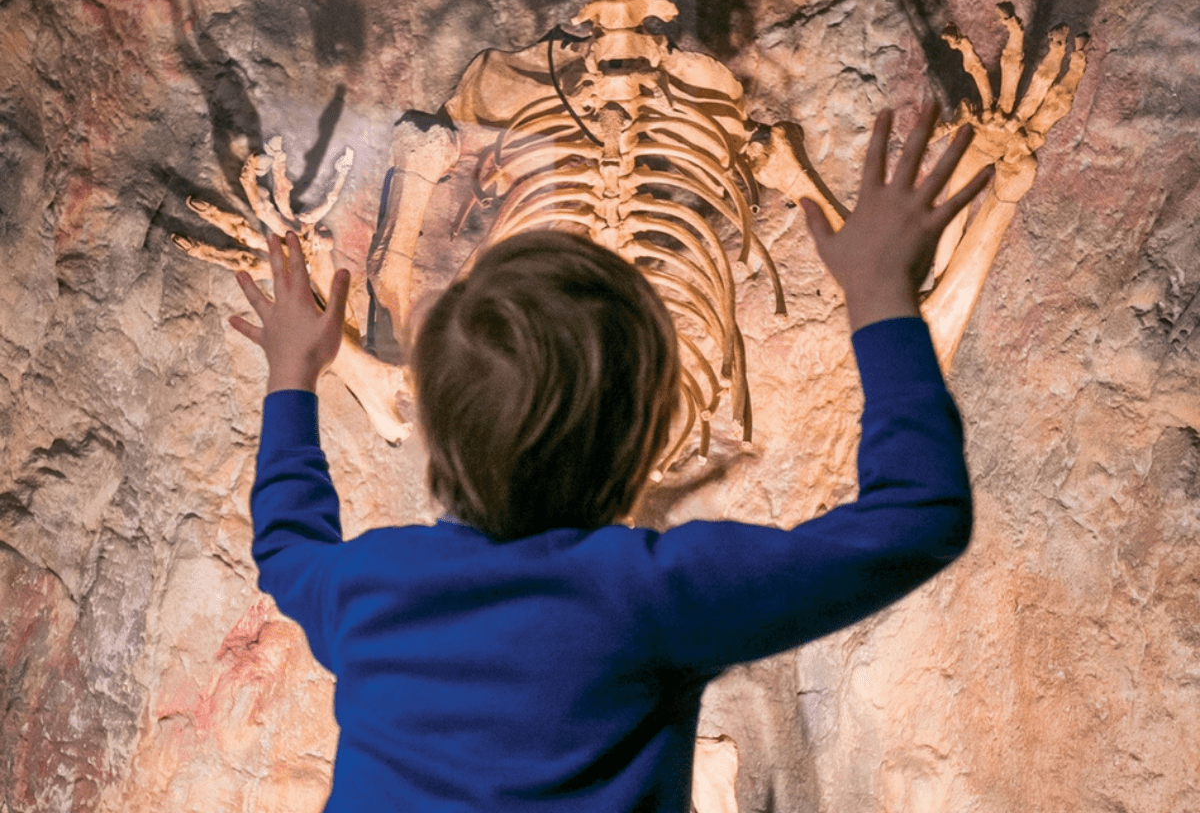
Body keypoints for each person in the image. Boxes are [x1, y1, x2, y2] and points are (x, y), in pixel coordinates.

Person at [232, 103, 992, 812]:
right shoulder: (653, 596)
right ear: (648, 435)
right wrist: (881, 296)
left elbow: (286, 543)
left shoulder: (366, 587)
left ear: (434, 428)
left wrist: (293, 375)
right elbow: (918, 517)